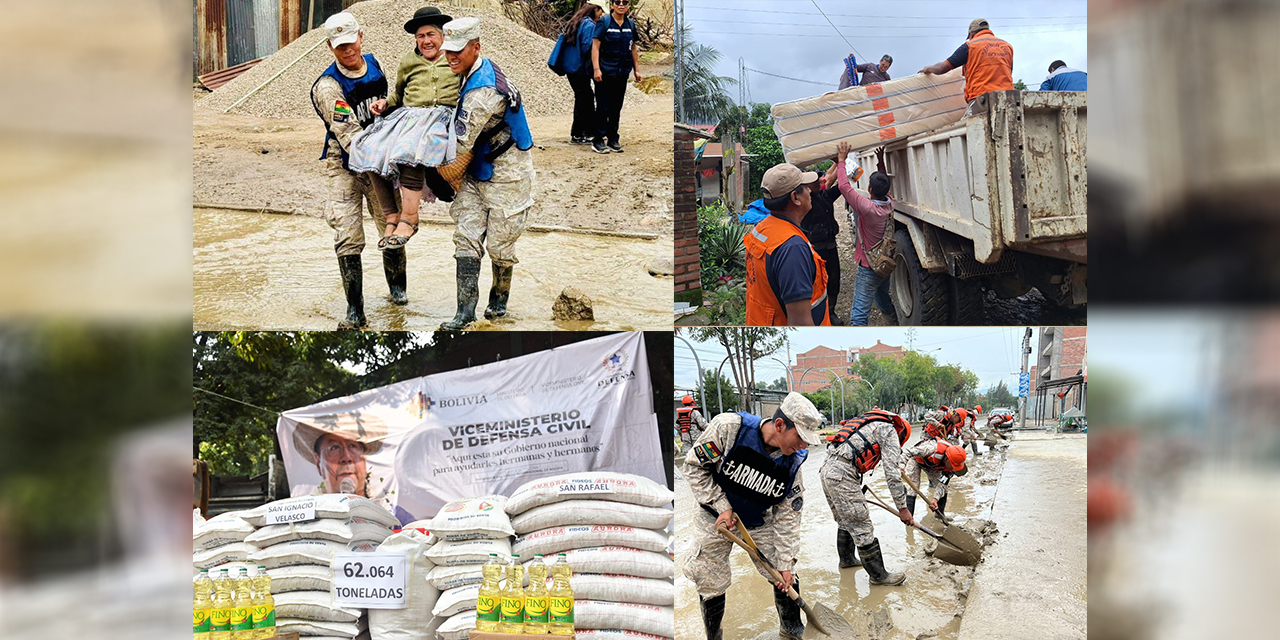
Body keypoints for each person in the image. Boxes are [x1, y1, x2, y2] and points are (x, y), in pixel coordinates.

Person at [682, 392, 824, 640]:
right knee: (709, 579)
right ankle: (714, 637)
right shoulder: (729, 429)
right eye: (800, 437)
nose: (804, 446)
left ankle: (792, 628)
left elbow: (788, 517)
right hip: (714, 516)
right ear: (780, 425)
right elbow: (693, 467)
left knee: (783, 574)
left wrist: (785, 562)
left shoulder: (792, 463)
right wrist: (721, 504)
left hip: (757, 518)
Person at [439, 17, 536, 329]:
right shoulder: (474, 70)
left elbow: (459, 143)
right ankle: (464, 313)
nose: (451, 56)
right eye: (448, 50)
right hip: (477, 168)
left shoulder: (483, 91)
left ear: (476, 47)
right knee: (465, 236)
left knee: (500, 244)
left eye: (458, 50)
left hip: (508, 174)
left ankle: (498, 302)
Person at [310, 11, 402, 329]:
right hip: (345, 163)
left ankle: (398, 293)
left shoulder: (375, 65)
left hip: (379, 161)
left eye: (351, 43)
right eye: (340, 47)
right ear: (330, 47)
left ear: (361, 37)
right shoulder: (327, 87)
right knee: (347, 233)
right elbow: (349, 134)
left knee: (391, 227)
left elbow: (391, 107)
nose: (347, 51)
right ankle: (355, 310)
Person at [356, 6, 464, 250]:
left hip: (440, 117)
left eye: (431, 35)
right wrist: (385, 103)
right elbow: (398, 94)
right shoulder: (408, 61)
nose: (426, 41)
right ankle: (391, 216)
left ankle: (410, 218)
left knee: (409, 149)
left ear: (442, 36)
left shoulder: (453, 57)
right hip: (409, 116)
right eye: (420, 36)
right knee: (369, 147)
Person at [821, 408, 913, 584]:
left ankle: (847, 560)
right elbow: (892, 474)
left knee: (845, 520)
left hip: (827, 470)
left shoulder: (870, 424)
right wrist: (903, 508)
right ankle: (879, 576)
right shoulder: (890, 430)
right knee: (861, 523)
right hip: (843, 474)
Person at [744, 164, 832, 326]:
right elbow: (800, 322)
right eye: (805, 188)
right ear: (795, 198)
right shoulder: (792, 248)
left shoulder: (763, 228)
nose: (810, 191)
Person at [833, 141, 896, 326]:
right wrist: (881, 162)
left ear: (869, 190)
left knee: (859, 314)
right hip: (883, 264)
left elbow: (844, 187)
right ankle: (893, 324)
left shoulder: (867, 209)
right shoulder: (889, 202)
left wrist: (841, 160)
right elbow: (884, 184)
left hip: (869, 267)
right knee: (883, 298)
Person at [918, 18, 1013, 116]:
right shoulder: (1007, 46)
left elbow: (942, 68)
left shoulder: (970, 46)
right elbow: (1008, 71)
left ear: (971, 33)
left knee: (967, 128)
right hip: (1009, 98)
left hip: (981, 99)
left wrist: (928, 68)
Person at [290, 415, 388, 498]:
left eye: (352, 446)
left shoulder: (386, 511)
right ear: (319, 462)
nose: (346, 457)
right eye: (334, 447)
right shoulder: (309, 513)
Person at [590, 0, 642, 153]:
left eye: (624, 2)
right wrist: (596, 69)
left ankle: (613, 138)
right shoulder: (604, 23)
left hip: (621, 73)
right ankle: (598, 140)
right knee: (602, 106)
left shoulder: (630, 25)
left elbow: (633, 47)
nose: (621, 5)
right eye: (617, 2)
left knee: (616, 107)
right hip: (605, 72)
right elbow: (595, 46)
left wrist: (636, 70)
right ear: (611, 5)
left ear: (628, 5)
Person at [556, 1, 607, 144]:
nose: (602, 15)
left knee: (582, 99)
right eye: (601, 11)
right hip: (579, 69)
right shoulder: (589, 24)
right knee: (586, 100)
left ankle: (578, 133)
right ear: (595, 9)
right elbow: (587, 46)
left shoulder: (577, 21)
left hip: (572, 68)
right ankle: (585, 133)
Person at [801, 169, 847, 324]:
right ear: (806, 187)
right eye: (815, 181)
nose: (820, 181)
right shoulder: (803, 202)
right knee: (817, 283)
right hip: (814, 249)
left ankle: (831, 312)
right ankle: (818, 314)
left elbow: (842, 186)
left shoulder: (825, 196)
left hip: (830, 245)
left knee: (834, 280)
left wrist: (840, 164)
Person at [902, 418, 967, 519]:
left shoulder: (951, 468)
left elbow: (942, 484)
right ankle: (909, 519)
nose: (954, 469)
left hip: (932, 466)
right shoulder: (932, 448)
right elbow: (908, 452)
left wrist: (935, 499)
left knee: (944, 490)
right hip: (916, 460)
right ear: (947, 459)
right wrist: (901, 466)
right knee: (914, 487)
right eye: (953, 466)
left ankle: (940, 515)